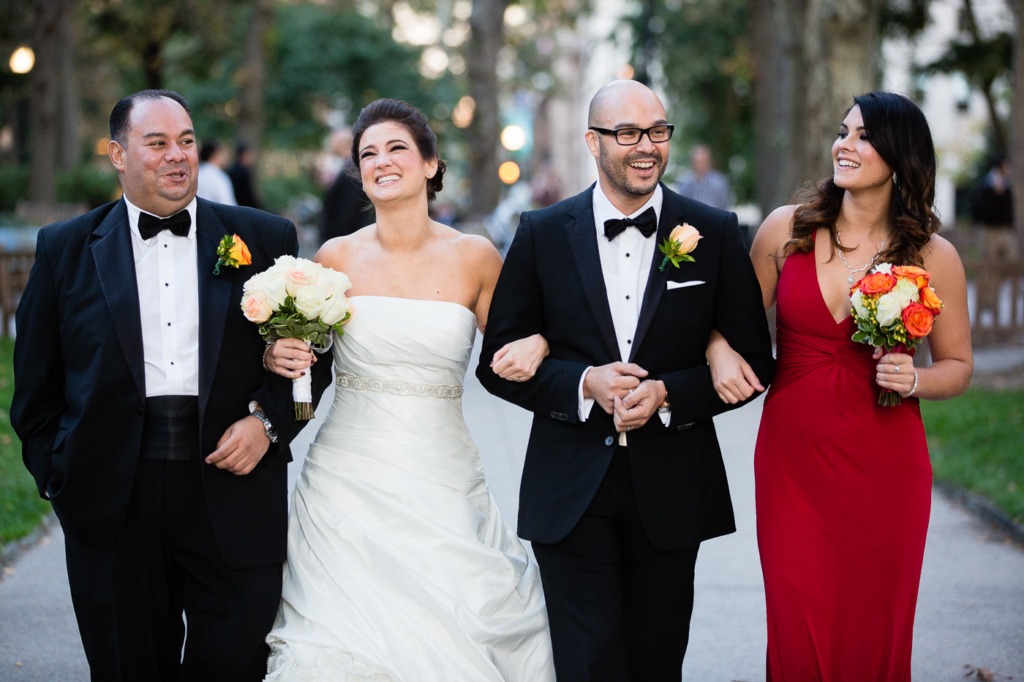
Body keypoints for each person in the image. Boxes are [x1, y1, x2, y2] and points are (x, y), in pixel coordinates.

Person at [10, 89, 332, 680]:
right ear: (117, 154)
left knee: (234, 661)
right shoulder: (65, 249)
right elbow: (34, 387)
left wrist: (269, 425)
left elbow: (313, 362)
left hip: (233, 485)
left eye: (185, 141)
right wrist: (60, 476)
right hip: (112, 496)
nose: (176, 155)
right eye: (156, 143)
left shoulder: (263, 239)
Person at [475, 79, 775, 679]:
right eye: (629, 133)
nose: (647, 146)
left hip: (670, 484)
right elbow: (496, 365)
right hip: (570, 485)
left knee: (657, 660)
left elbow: (754, 362)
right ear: (593, 141)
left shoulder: (713, 232)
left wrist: (669, 394)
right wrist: (583, 383)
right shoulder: (540, 233)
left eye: (658, 131)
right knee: (585, 662)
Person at [261, 98, 555, 680]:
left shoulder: (476, 257)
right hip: (345, 484)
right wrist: (280, 354)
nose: (382, 161)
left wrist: (541, 343)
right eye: (368, 153)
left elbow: (506, 358)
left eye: (397, 148)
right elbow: (310, 372)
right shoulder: (333, 258)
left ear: (430, 164)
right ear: (359, 175)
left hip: (442, 478)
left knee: (457, 622)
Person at [708, 91, 973, 680]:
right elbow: (733, 325)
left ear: (899, 156)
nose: (844, 145)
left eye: (862, 136)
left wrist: (916, 378)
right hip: (793, 463)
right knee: (798, 621)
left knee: (874, 626)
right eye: (842, 131)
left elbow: (957, 366)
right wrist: (719, 348)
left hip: (887, 464)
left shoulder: (933, 254)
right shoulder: (786, 229)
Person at [970, 155, 1016, 323]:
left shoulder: (1006, 185)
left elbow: (1008, 209)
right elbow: (980, 209)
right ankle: (986, 304)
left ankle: (991, 300)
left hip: (1004, 231)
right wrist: (995, 194)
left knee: (1008, 264)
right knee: (988, 268)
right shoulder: (986, 185)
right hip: (989, 231)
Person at [319, 127, 374, 244]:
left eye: (332, 141)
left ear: (341, 144)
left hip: (344, 238)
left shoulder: (352, 170)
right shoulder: (346, 166)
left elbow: (348, 209)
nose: (330, 145)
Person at [676, 142, 734, 210]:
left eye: (703, 161)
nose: (700, 166)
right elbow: (681, 207)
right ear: (692, 162)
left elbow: (725, 206)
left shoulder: (719, 182)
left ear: (709, 162)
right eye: (697, 162)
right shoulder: (684, 182)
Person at [197, 138, 238, 205]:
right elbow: (229, 206)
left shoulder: (196, 175)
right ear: (216, 153)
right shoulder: (219, 177)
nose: (225, 156)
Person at [228, 141, 262, 209]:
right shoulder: (243, 172)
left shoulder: (230, 170)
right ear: (244, 155)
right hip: (244, 208)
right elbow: (248, 195)